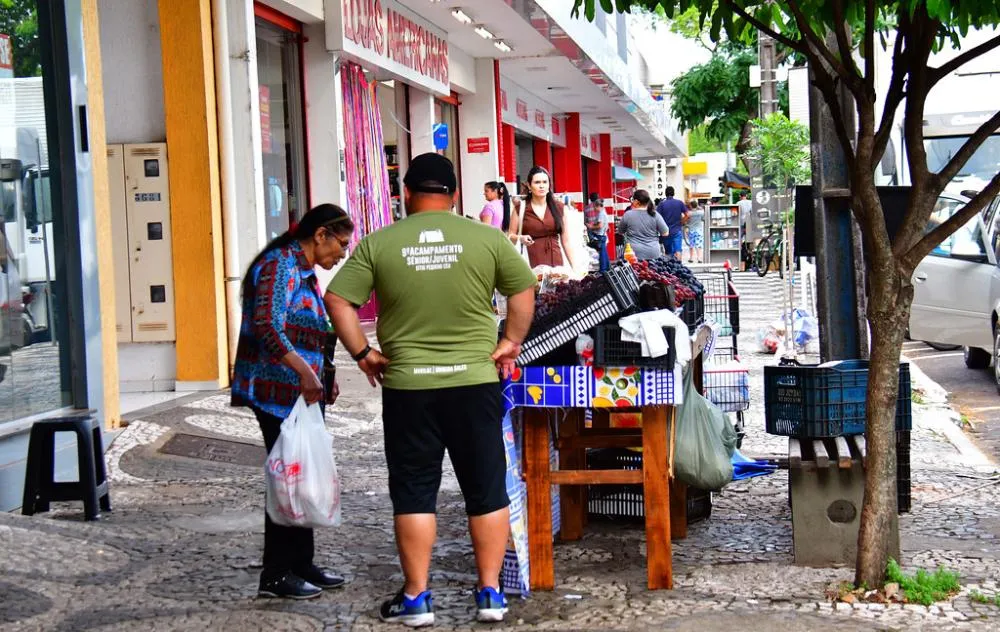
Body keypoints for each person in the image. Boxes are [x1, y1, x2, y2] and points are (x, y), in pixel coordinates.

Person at [325, 153, 537, 627]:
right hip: (474, 382)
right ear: (455, 194)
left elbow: (337, 298)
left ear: (404, 194)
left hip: (408, 387)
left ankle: (418, 598)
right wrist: (510, 343)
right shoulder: (485, 238)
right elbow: (523, 290)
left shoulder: (380, 244)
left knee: (415, 491)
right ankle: (490, 594)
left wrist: (363, 354)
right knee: (485, 488)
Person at [231, 203, 354, 600]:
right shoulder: (278, 264)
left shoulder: (304, 269)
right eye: (341, 244)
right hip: (274, 391)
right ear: (320, 235)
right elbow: (268, 324)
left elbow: (315, 327)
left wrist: (324, 377)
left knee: (301, 477)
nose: (341, 254)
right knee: (287, 477)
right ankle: (276, 573)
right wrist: (304, 371)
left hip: (301, 394)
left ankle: (301, 563)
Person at [507, 166, 576, 269]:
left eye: (545, 182)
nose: (541, 186)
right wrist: (520, 238)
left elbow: (566, 241)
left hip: (556, 265)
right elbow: (510, 236)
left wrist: (575, 267)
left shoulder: (559, 208)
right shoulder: (520, 208)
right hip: (530, 265)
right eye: (537, 182)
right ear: (529, 186)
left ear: (549, 185)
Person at [620, 189, 669, 260]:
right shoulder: (655, 215)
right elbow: (665, 233)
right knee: (652, 271)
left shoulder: (628, 215)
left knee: (635, 271)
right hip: (653, 252)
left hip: (633, 254)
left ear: (636, 201)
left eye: (633, 199)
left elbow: (620, 232)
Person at [655, 186, 688, 259]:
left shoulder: (662, 204)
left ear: (665, 193)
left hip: (665, 231)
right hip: (677, 230)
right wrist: (682, 222)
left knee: (668, 252)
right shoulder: (679, 203)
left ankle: (671, 268)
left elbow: (656, 217)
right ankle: (679, 267)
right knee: (678, 250)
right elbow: (687, 215)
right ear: (674, 193)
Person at [584, 192, 610, 272]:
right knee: (603, 251)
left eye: (595, 208)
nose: (594, 209)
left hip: (596, 232)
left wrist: (591, 226)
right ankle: (606, 267)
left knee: (600, 252)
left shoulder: (587, 208)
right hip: (600, 233)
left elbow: (600, 224)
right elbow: (603, 224)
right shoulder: (603, 210)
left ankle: (603, 269)